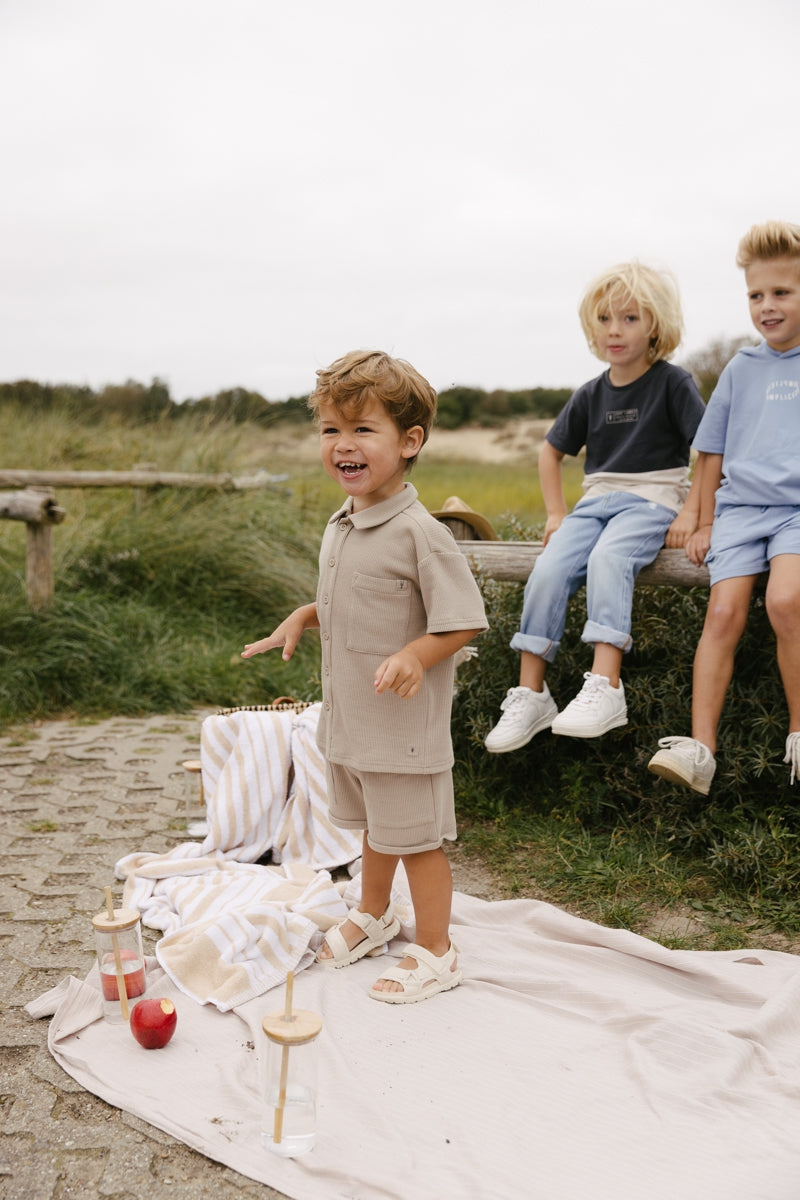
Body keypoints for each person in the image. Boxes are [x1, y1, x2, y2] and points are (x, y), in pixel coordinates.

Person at [242, 350, 487, 1003]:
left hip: (404, 732)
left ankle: (437, 949)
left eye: (362, 430)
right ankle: (375, 912)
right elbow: (355, 603)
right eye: (330, 430)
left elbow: (464, 621)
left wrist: (415, 656)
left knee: (418, 841)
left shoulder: (419, 533)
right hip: (353, 721)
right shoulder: (344, 521)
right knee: (374, 829)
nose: (343, 445)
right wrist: (302, 616)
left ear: (409, 442)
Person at [485, 261, 706, 752]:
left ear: (655, 325)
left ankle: (606, 685)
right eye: (605, 319)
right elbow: (550, 452)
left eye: (629, 318)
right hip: (594, 503)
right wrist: (555, 514)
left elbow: (709, 448)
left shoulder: (673, 383)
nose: (615, 330)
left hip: (651, 501)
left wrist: (693, 513)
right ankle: (531, 693)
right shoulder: (590, 392)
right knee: (549, 566)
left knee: (610, 558)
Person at [648, 220, 800, 794]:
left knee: (787, 601)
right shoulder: (741, 367)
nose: (767, 306)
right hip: (740, 513)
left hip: (795, 514)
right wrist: (700, 517)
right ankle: (700, 750)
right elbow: (709, 451)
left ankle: (799, 734)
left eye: (781, 293)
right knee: (722, 615)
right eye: (756, 295)